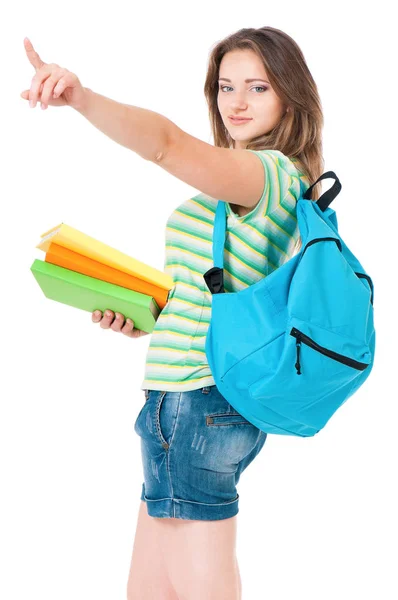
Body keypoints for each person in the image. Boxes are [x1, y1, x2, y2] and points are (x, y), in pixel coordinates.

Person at [21, 25, 323, 600]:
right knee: (150, 593)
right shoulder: (225, 189)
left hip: (200, 402)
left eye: (258, 88)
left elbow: (164, 143)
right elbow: (222, 296)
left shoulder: (272, 173)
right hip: (175, 400)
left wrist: (80, 98)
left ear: (290, 96)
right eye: (225, 86)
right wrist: (145, 318)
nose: (235, 102)